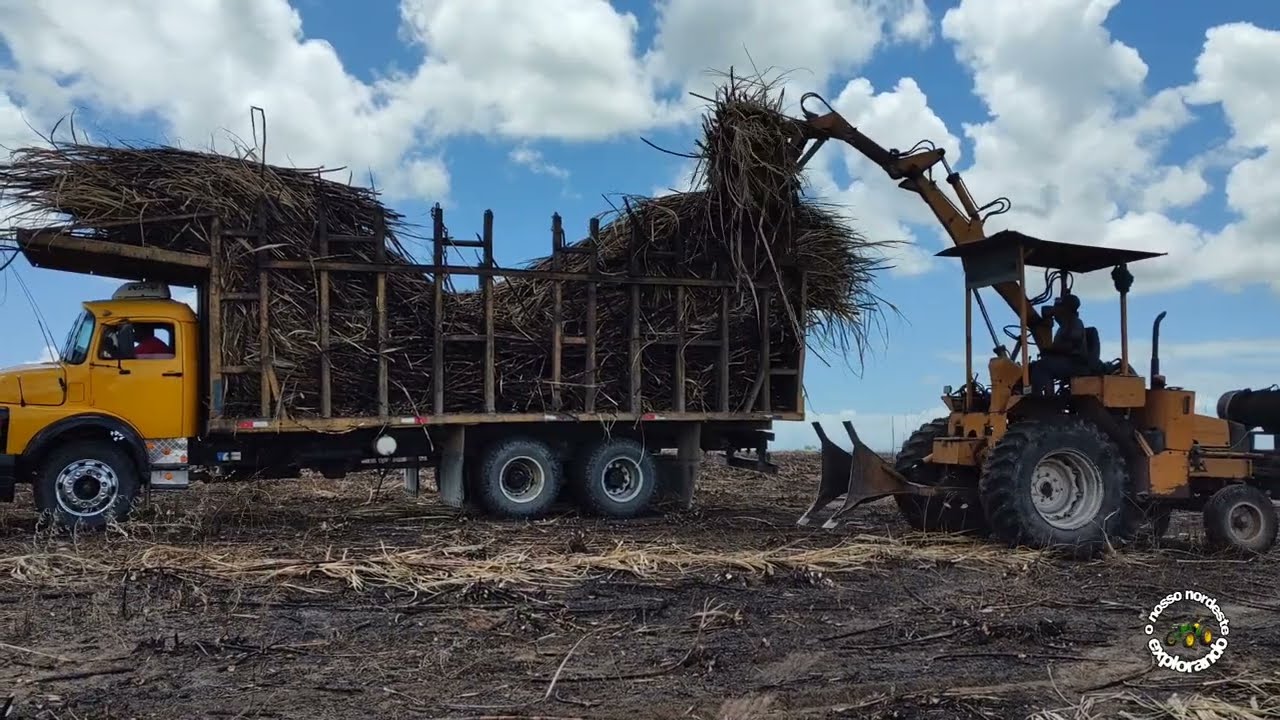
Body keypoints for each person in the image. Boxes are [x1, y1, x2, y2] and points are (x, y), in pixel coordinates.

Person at [1028, 293, 1086, 395]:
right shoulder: (1065, 325)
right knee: (1033, 366)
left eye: (1060, 307)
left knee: (1043, 366)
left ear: (1066, 308)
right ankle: (1030, 392)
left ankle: (1046, 398)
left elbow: (1069, 347)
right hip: (1067, 361)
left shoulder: (1075, 323)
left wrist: (1050, 350)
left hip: (1075, 363)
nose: (1056, 309)